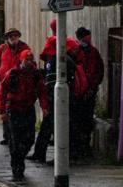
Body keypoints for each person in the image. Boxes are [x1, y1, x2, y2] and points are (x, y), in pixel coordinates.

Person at [30, 35, 88, 164]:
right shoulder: (68, 59)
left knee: (57, 128)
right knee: (59, 127)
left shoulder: (56, 60)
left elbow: (51, 83)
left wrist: (48, 100)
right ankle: (49, 154)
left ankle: (59, 157)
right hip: (67, 98)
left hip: (58, 100)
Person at [0, 50, 49, 180]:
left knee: (30, 138)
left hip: (28, 109)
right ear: (21, 60)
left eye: (31, 59)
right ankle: (17, 168)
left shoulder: (35, 75)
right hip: (14, 110)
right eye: (27, 59)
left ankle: (19, 159)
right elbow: (2, 92)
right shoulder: (12, 74)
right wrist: (2, 111)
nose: (30, 62)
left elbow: (42, 92)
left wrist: (44, 107)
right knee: (15, 140)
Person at [0, 28, 29, 145]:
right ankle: (7, 136)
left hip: (18, 82)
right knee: (4, 106)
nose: (13, 38)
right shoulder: (2, 48)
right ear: (7, 38)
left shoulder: (24, 48)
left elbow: (29, 61)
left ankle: (16, 134)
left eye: (15, 35)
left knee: (15, 108)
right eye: (10, 36)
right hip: (4, 82)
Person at [74, 27, 105, 159]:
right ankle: (80, 147)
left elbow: (99, 71)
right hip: (79, 93)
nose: (89, 38)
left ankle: (84, 147)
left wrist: (92, 87)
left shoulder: (93, 52)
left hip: (89, 92)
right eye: (86, 36)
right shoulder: (76, 52)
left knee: (86, 121)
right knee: (79, 121)